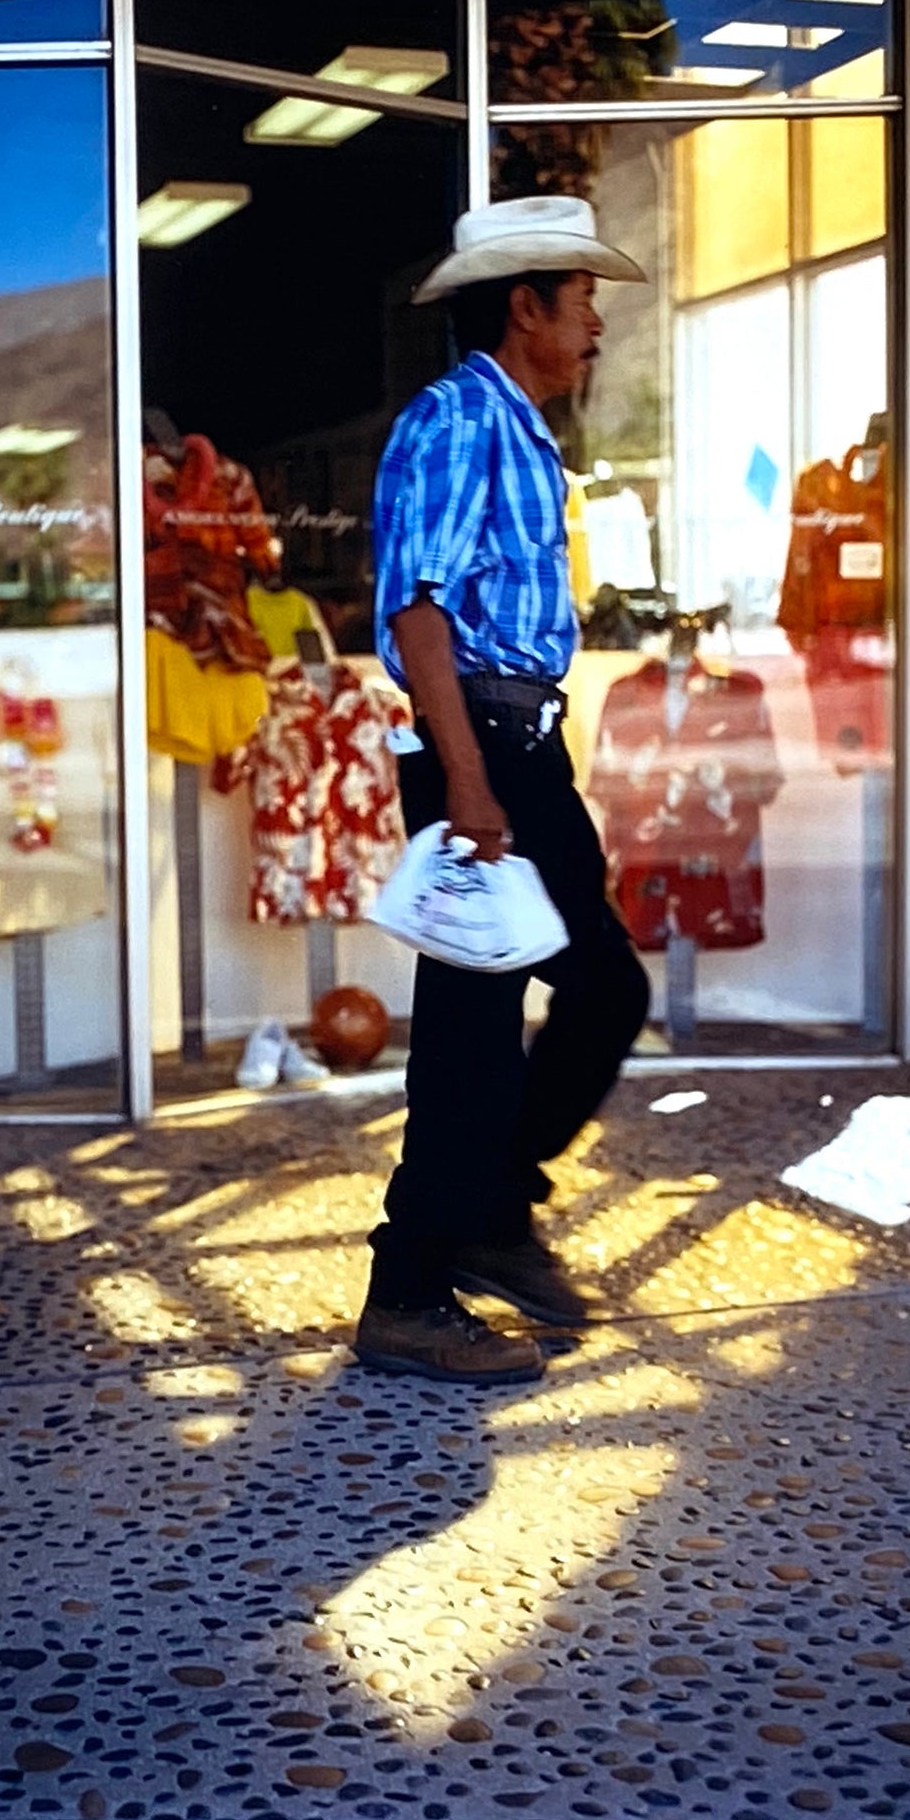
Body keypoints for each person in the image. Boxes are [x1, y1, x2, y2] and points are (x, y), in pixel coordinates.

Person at [355, 195, 653, 1386]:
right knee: (477, 1035)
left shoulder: (521, 427)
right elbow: (416, 610)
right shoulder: (452, 420)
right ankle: (411, 1285)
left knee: (599, 987)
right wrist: (471, 789)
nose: (594, 327)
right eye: (582, 302)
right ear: (524, 305)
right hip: (474, 747)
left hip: (520, 743)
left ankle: (486, 1211)